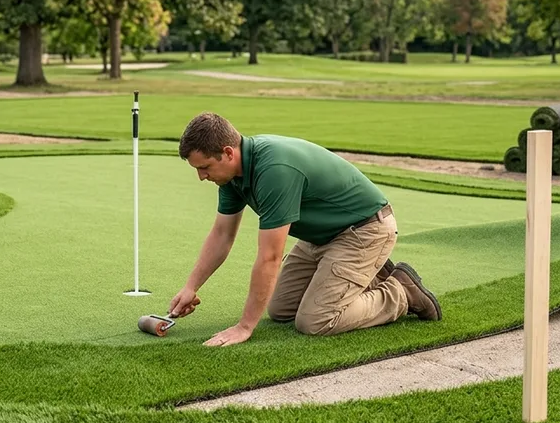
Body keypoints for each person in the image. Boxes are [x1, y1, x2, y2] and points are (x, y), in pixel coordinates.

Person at [167, 112, 442, 347]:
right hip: (321, 237)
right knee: (280, 309)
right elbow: (222, 236)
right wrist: (191, 287)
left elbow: (270, 257)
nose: (201, 176)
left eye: (204, 167)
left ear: (228, 152)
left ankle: (401, 292)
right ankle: (367, 275)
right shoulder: (231, 177)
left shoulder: (274, 170)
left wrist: (244, 327)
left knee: (315, 320)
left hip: (365, 230)